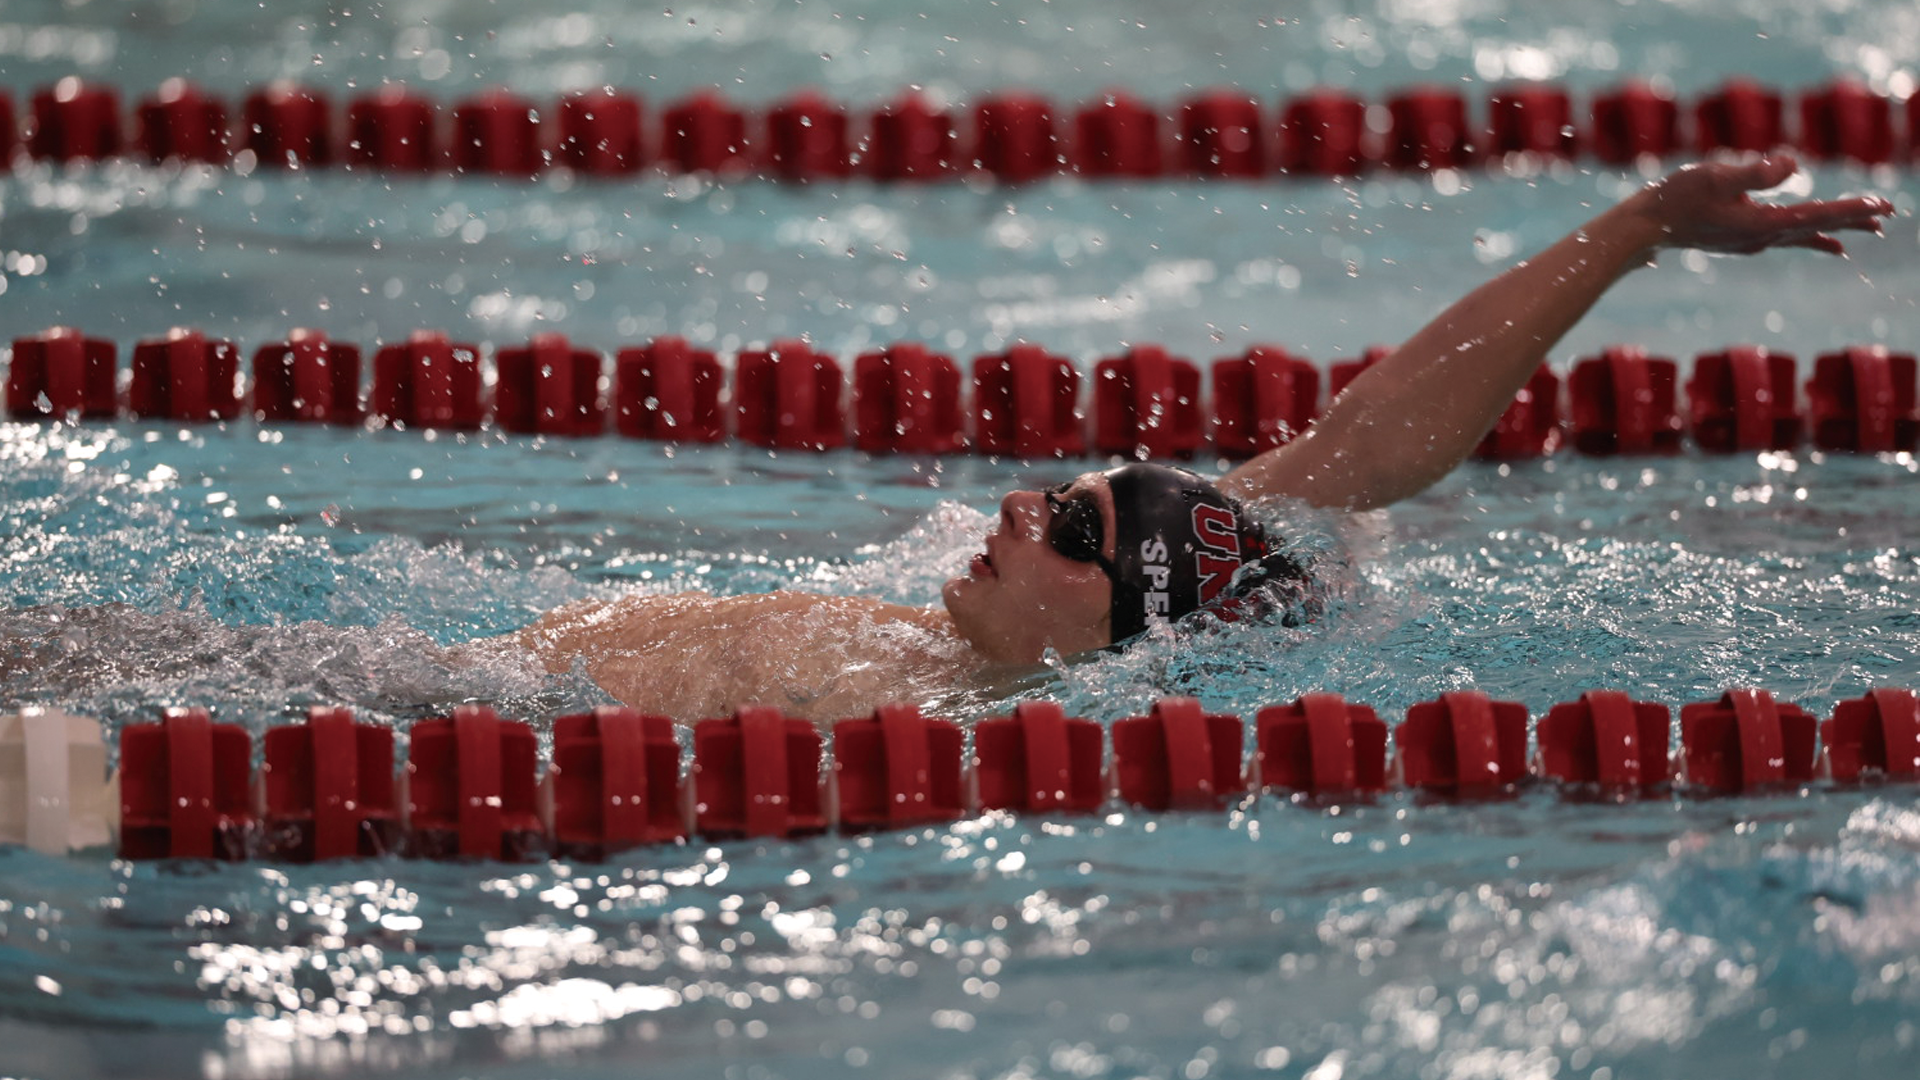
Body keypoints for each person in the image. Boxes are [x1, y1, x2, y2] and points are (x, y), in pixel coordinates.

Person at [498, 155, 1892, 722]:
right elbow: (1368, 443)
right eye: (1064, 495)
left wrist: (1633, 240)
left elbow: (1377, 451)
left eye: (1077, 532)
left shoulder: (972, 726)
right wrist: (1629, 227)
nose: (1017, 510)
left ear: (1134, 627)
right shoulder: (1022, 636)